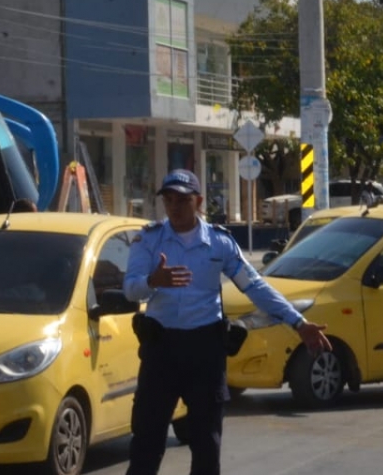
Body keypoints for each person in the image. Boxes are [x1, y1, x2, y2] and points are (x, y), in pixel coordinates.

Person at [123, 169, 332, 475]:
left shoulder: (219, 243)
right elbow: (131, 289)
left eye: (183, 200)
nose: (175, 207)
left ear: (199, 201)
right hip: (161, 351)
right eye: (169, 200)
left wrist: (298, 323)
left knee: (207, 444)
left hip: (204, 352)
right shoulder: (149, 240)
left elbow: (255, 286)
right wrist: (153, 281)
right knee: (146, 444)